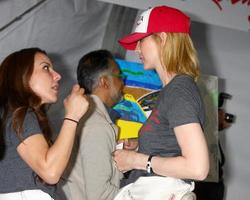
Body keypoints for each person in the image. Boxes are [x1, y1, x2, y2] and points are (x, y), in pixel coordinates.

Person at [113, 5, 210, 199]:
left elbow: (197, 168)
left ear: (162, 38)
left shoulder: (179, 90)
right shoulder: (172, 90)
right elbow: (171, 146)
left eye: (141, 40)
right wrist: (140, 147)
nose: (137, 48)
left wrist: (136, 160)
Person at [0, 48, 89, 200]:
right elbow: (50, 171)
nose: (58, 76)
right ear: (22, 75)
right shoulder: (20, 114)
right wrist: (72, 116)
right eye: (46, 68)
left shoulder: (9, 115)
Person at [61, 50, 136, 200]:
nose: (123, 83)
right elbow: (101, 195)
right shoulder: (96, 125)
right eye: (119, 76)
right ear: (104, 82)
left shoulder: (85, 118)